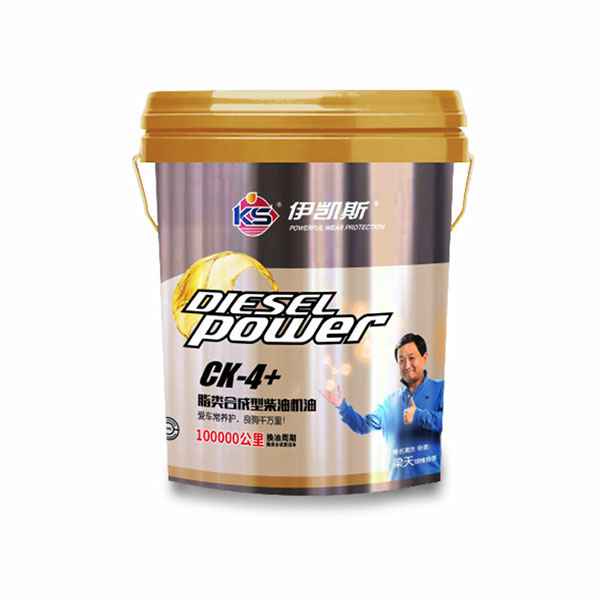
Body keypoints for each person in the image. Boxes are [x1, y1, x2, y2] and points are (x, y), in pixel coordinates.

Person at [321, 333, 444, 481]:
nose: (407, 365)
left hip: (430, 486)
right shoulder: (391, 402)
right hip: (396, 485)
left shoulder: (441, 389)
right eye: (401, 360)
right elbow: (363, 426)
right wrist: (342, 406)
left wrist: (418, 415)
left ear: (424, 357)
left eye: (411, 358)